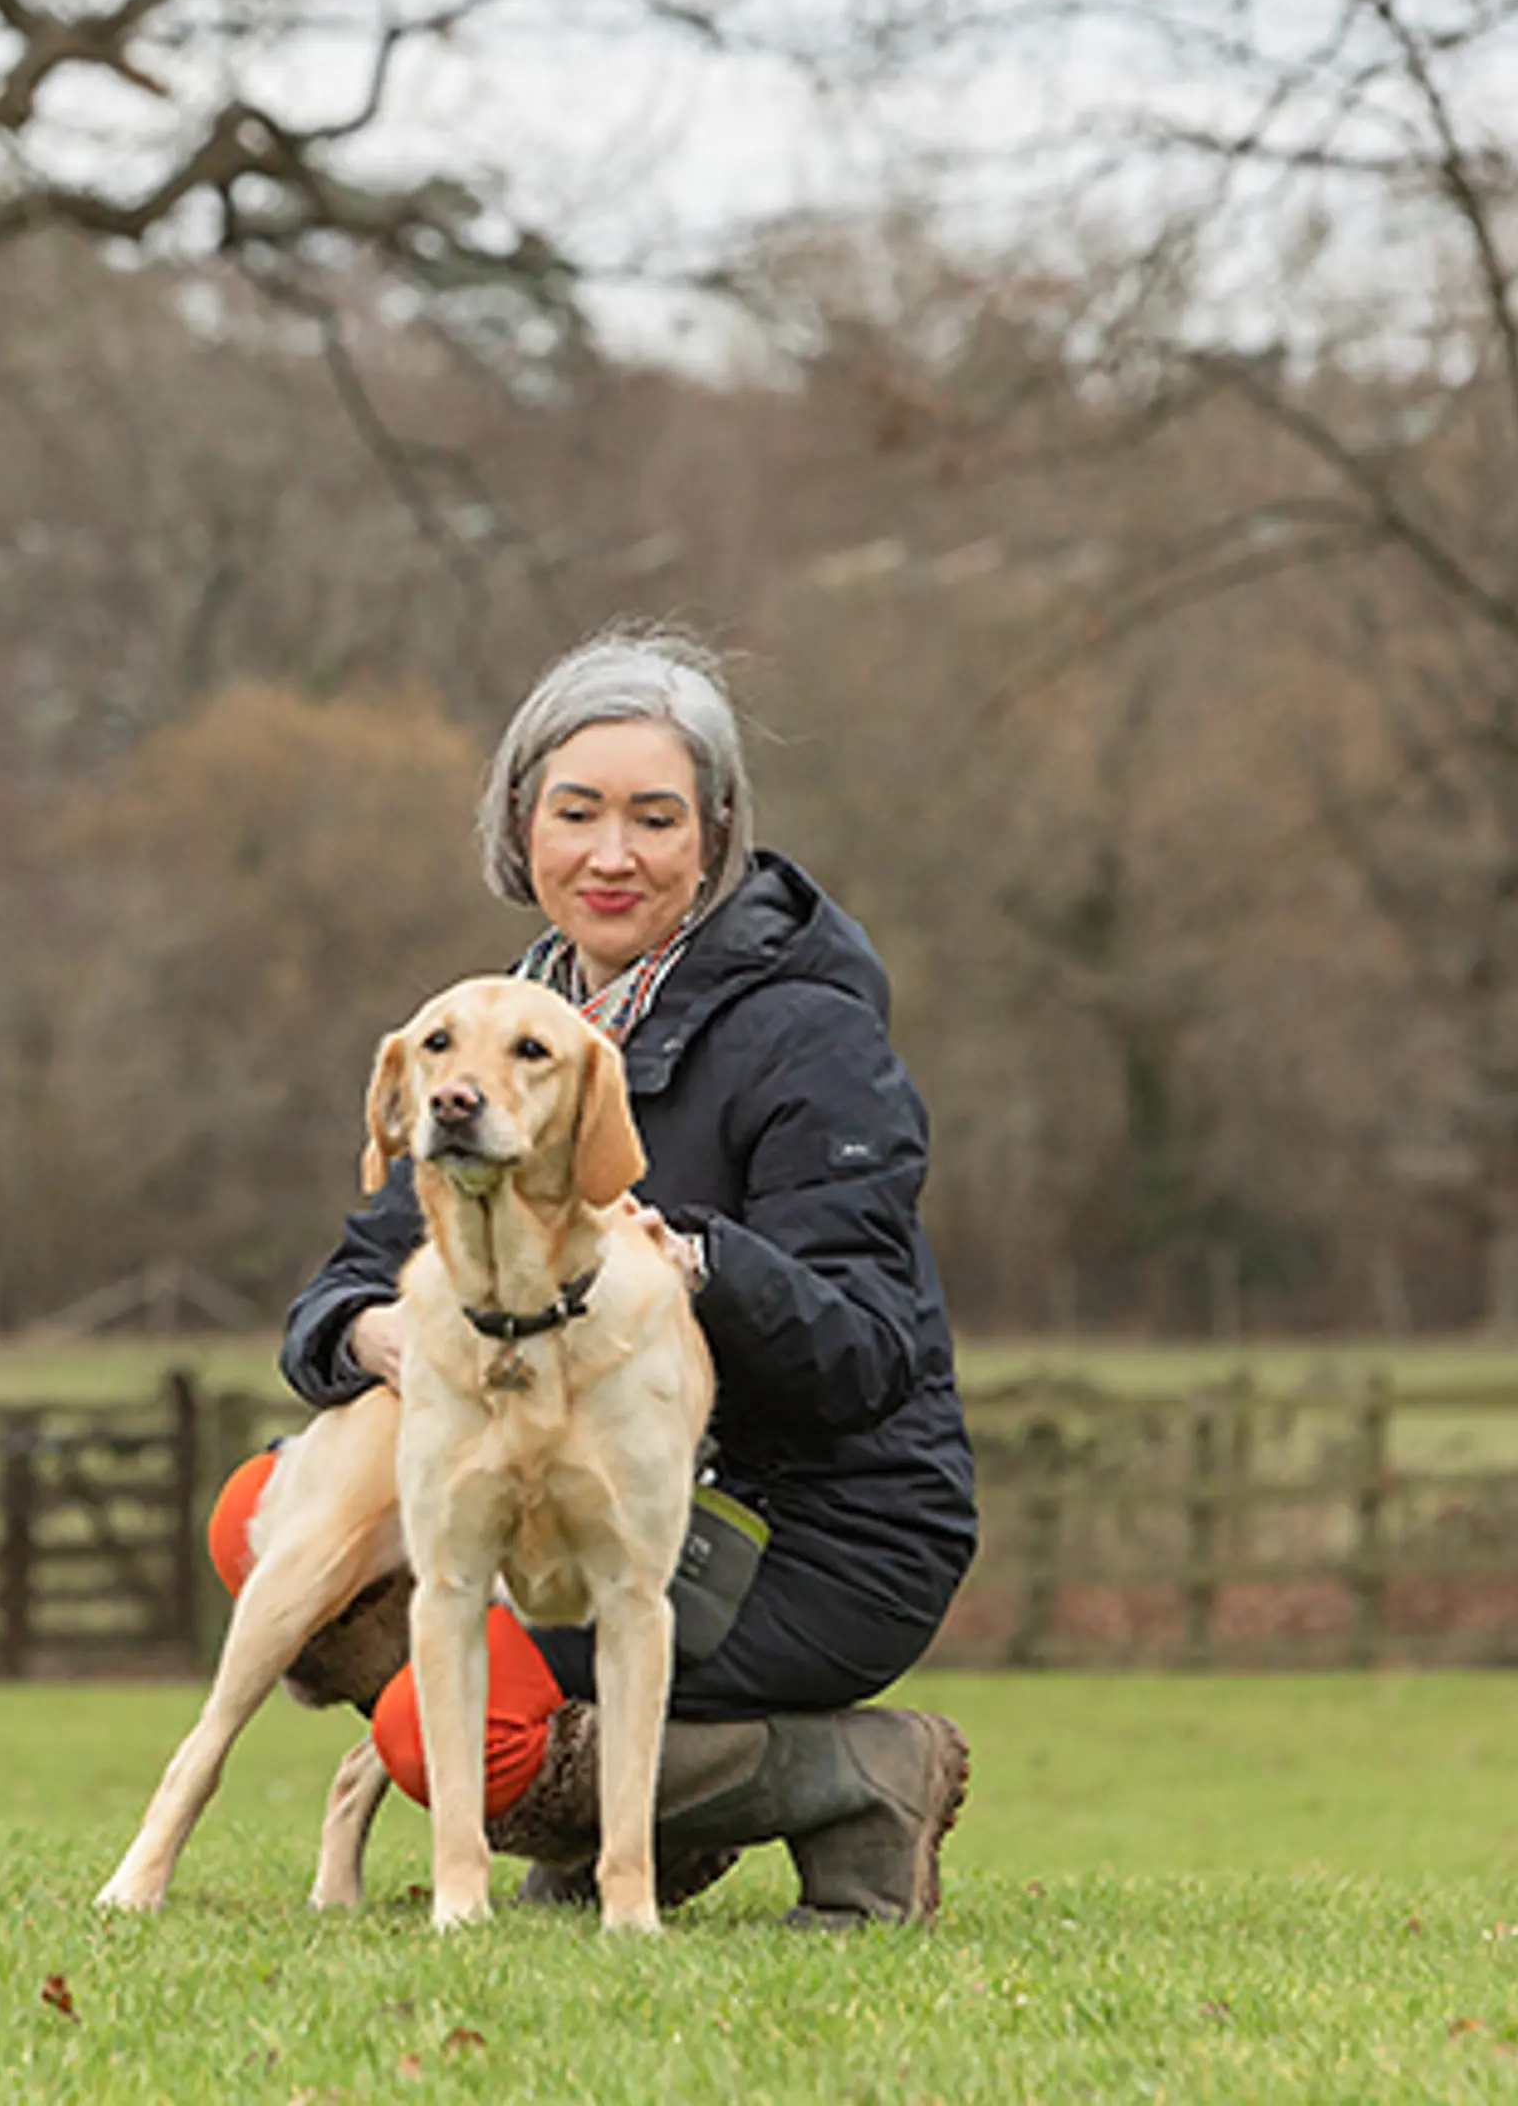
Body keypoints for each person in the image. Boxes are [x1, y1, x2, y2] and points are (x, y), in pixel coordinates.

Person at [250, 623, 978, 1926]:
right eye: (575, 810)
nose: (611, 853)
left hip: (803, 1524)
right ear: (518, 826)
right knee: (262, 1513)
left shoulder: (809, 1035)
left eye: (657, 817)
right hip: (547, 1494)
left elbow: (867, 1351)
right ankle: (599, 1806)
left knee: (448, 1732)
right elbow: (352, 1276)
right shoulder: (495, 1023)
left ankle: (853, 1777)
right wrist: (378, 1340)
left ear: (715, 839)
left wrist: (693, 1261)